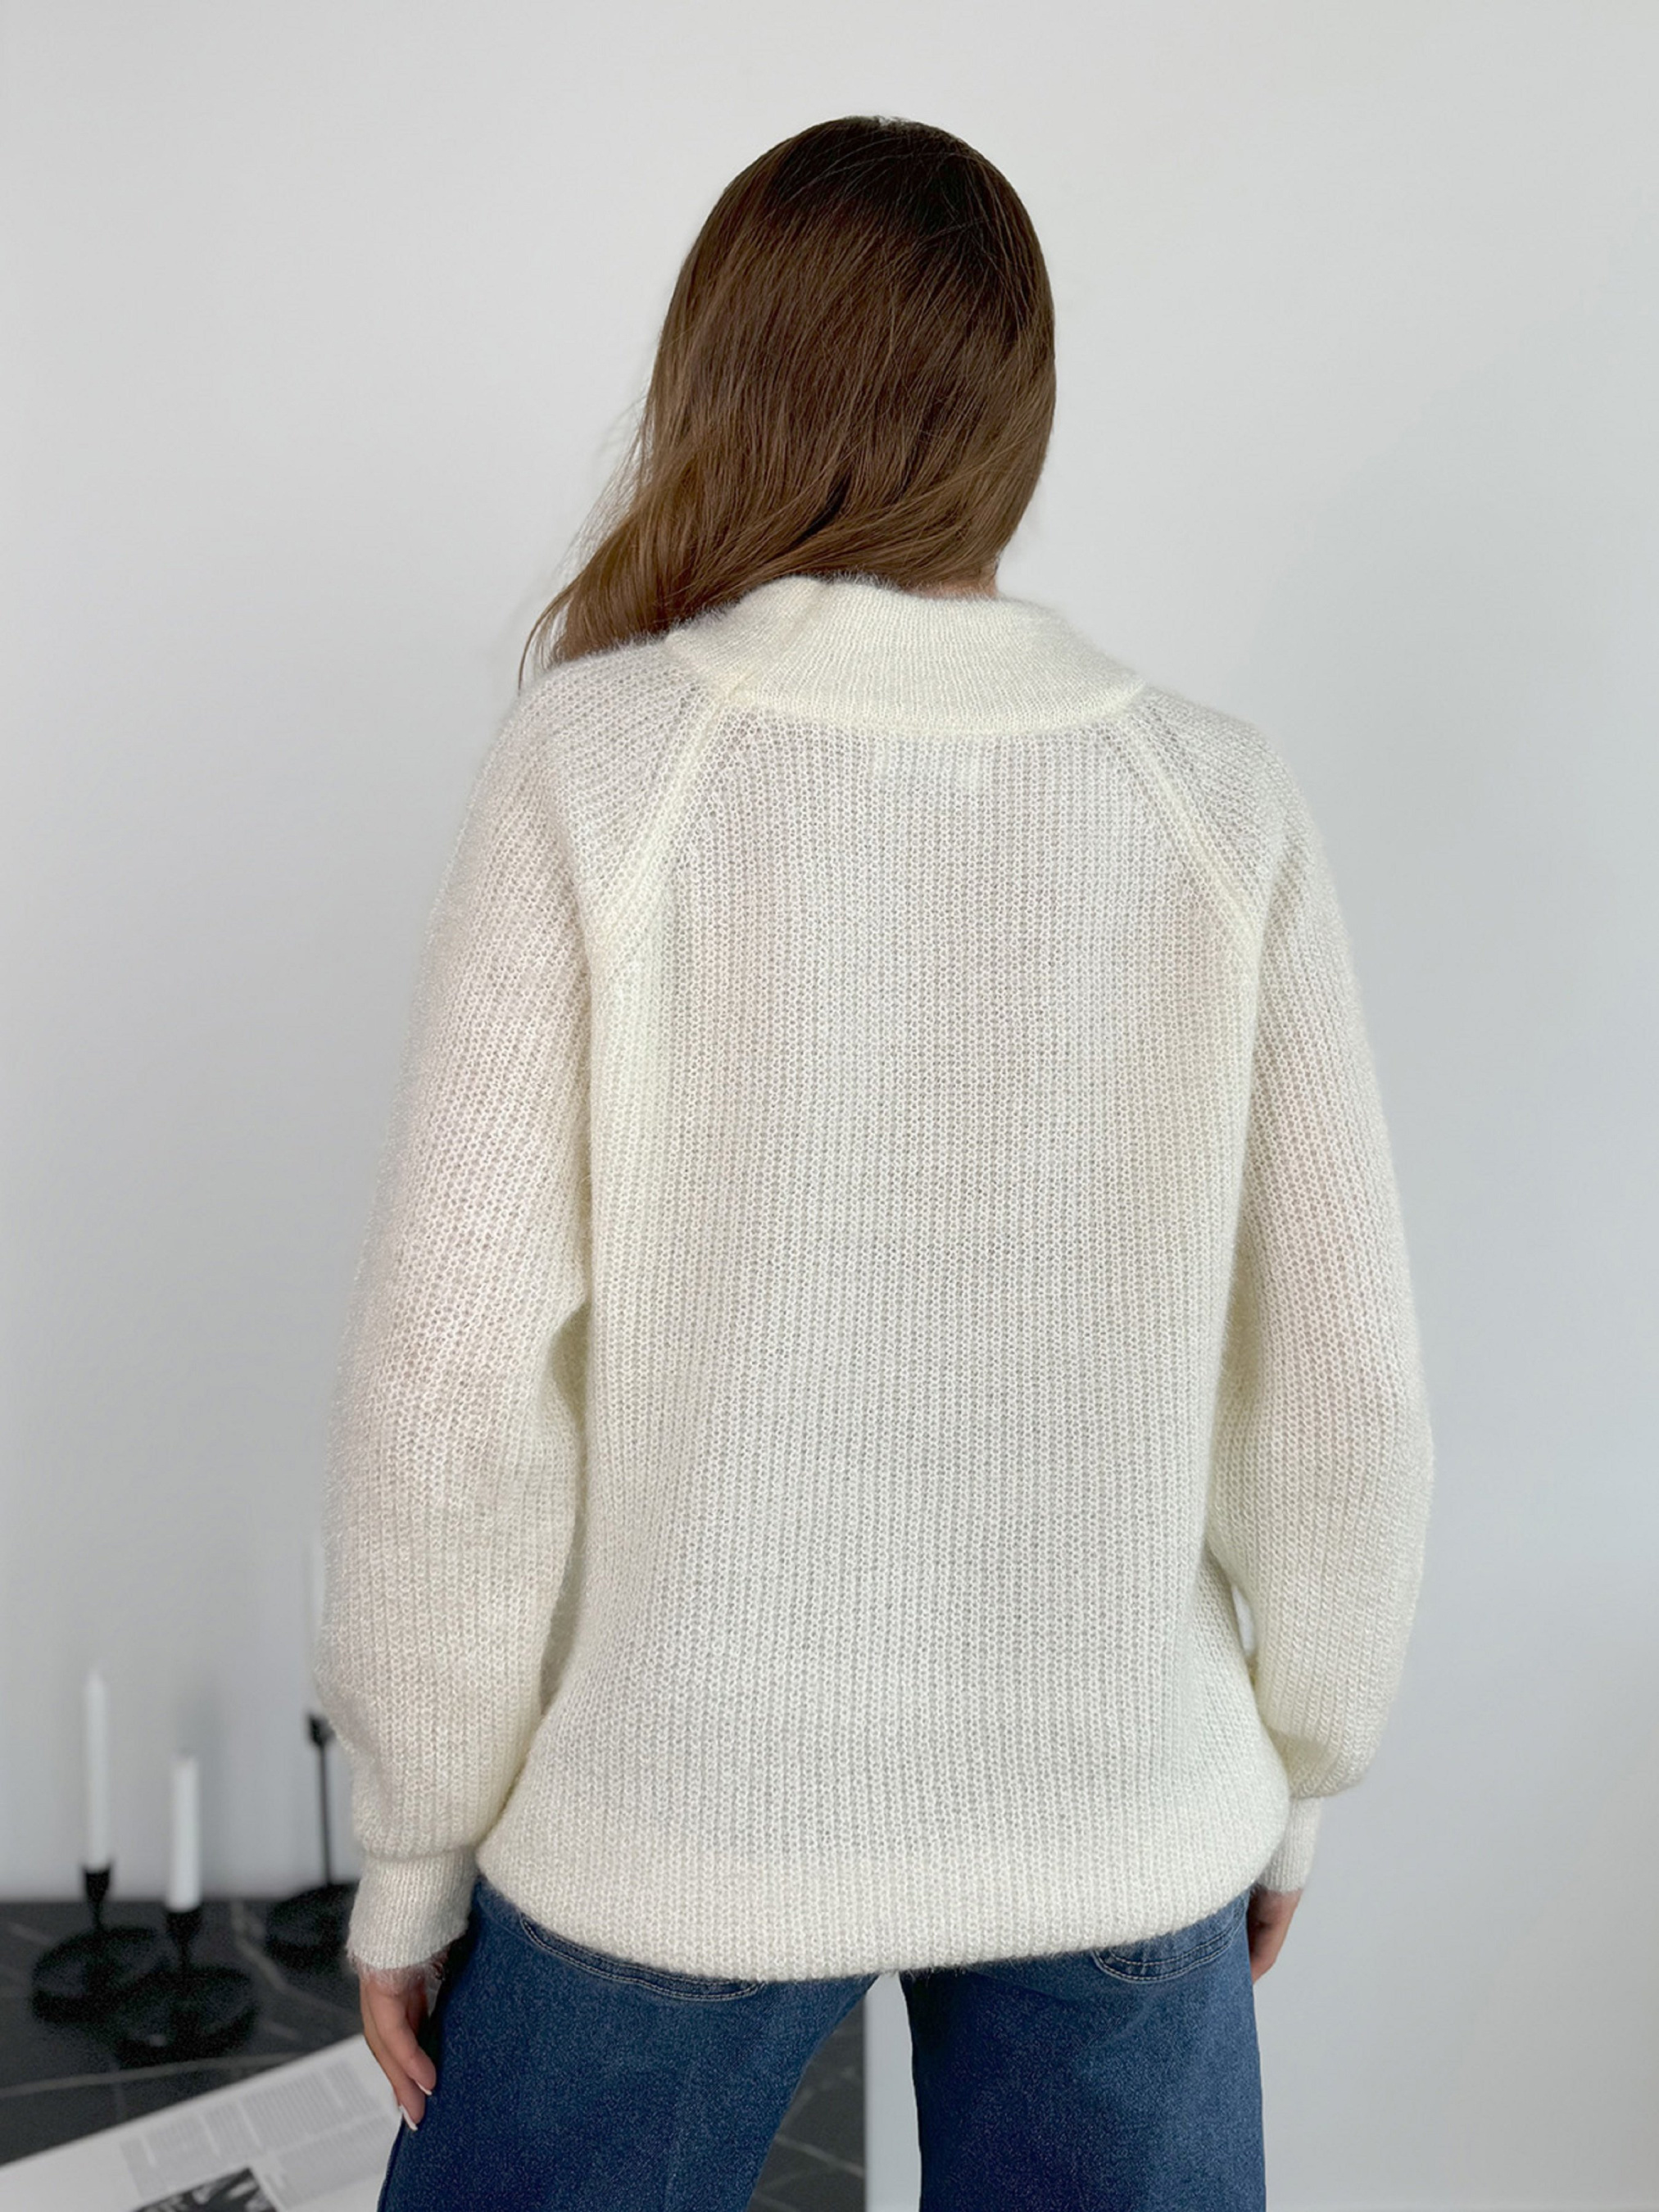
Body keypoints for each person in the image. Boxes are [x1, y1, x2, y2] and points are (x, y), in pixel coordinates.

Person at [314, 113, 1435, 2212]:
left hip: (678, 1812)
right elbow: (1338, 1376)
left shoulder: (600, 769)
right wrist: (1299, 1767)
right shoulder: (1213, 803)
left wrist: (415, 1845)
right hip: (1120, 1804)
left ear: (720, 377)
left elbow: (450, 1381)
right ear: (1013, 408)